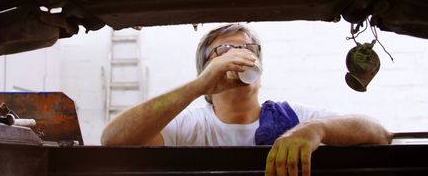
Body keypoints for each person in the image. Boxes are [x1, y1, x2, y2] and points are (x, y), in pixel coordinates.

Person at [101, 23, 392, 176]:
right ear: (206, 67)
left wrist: (316, 130)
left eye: (247, 48)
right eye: (224, 49)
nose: (238, 54)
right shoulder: (190, 126)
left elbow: (378, 132)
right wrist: (199, 85)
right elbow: (113, 139)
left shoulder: (291, 118)